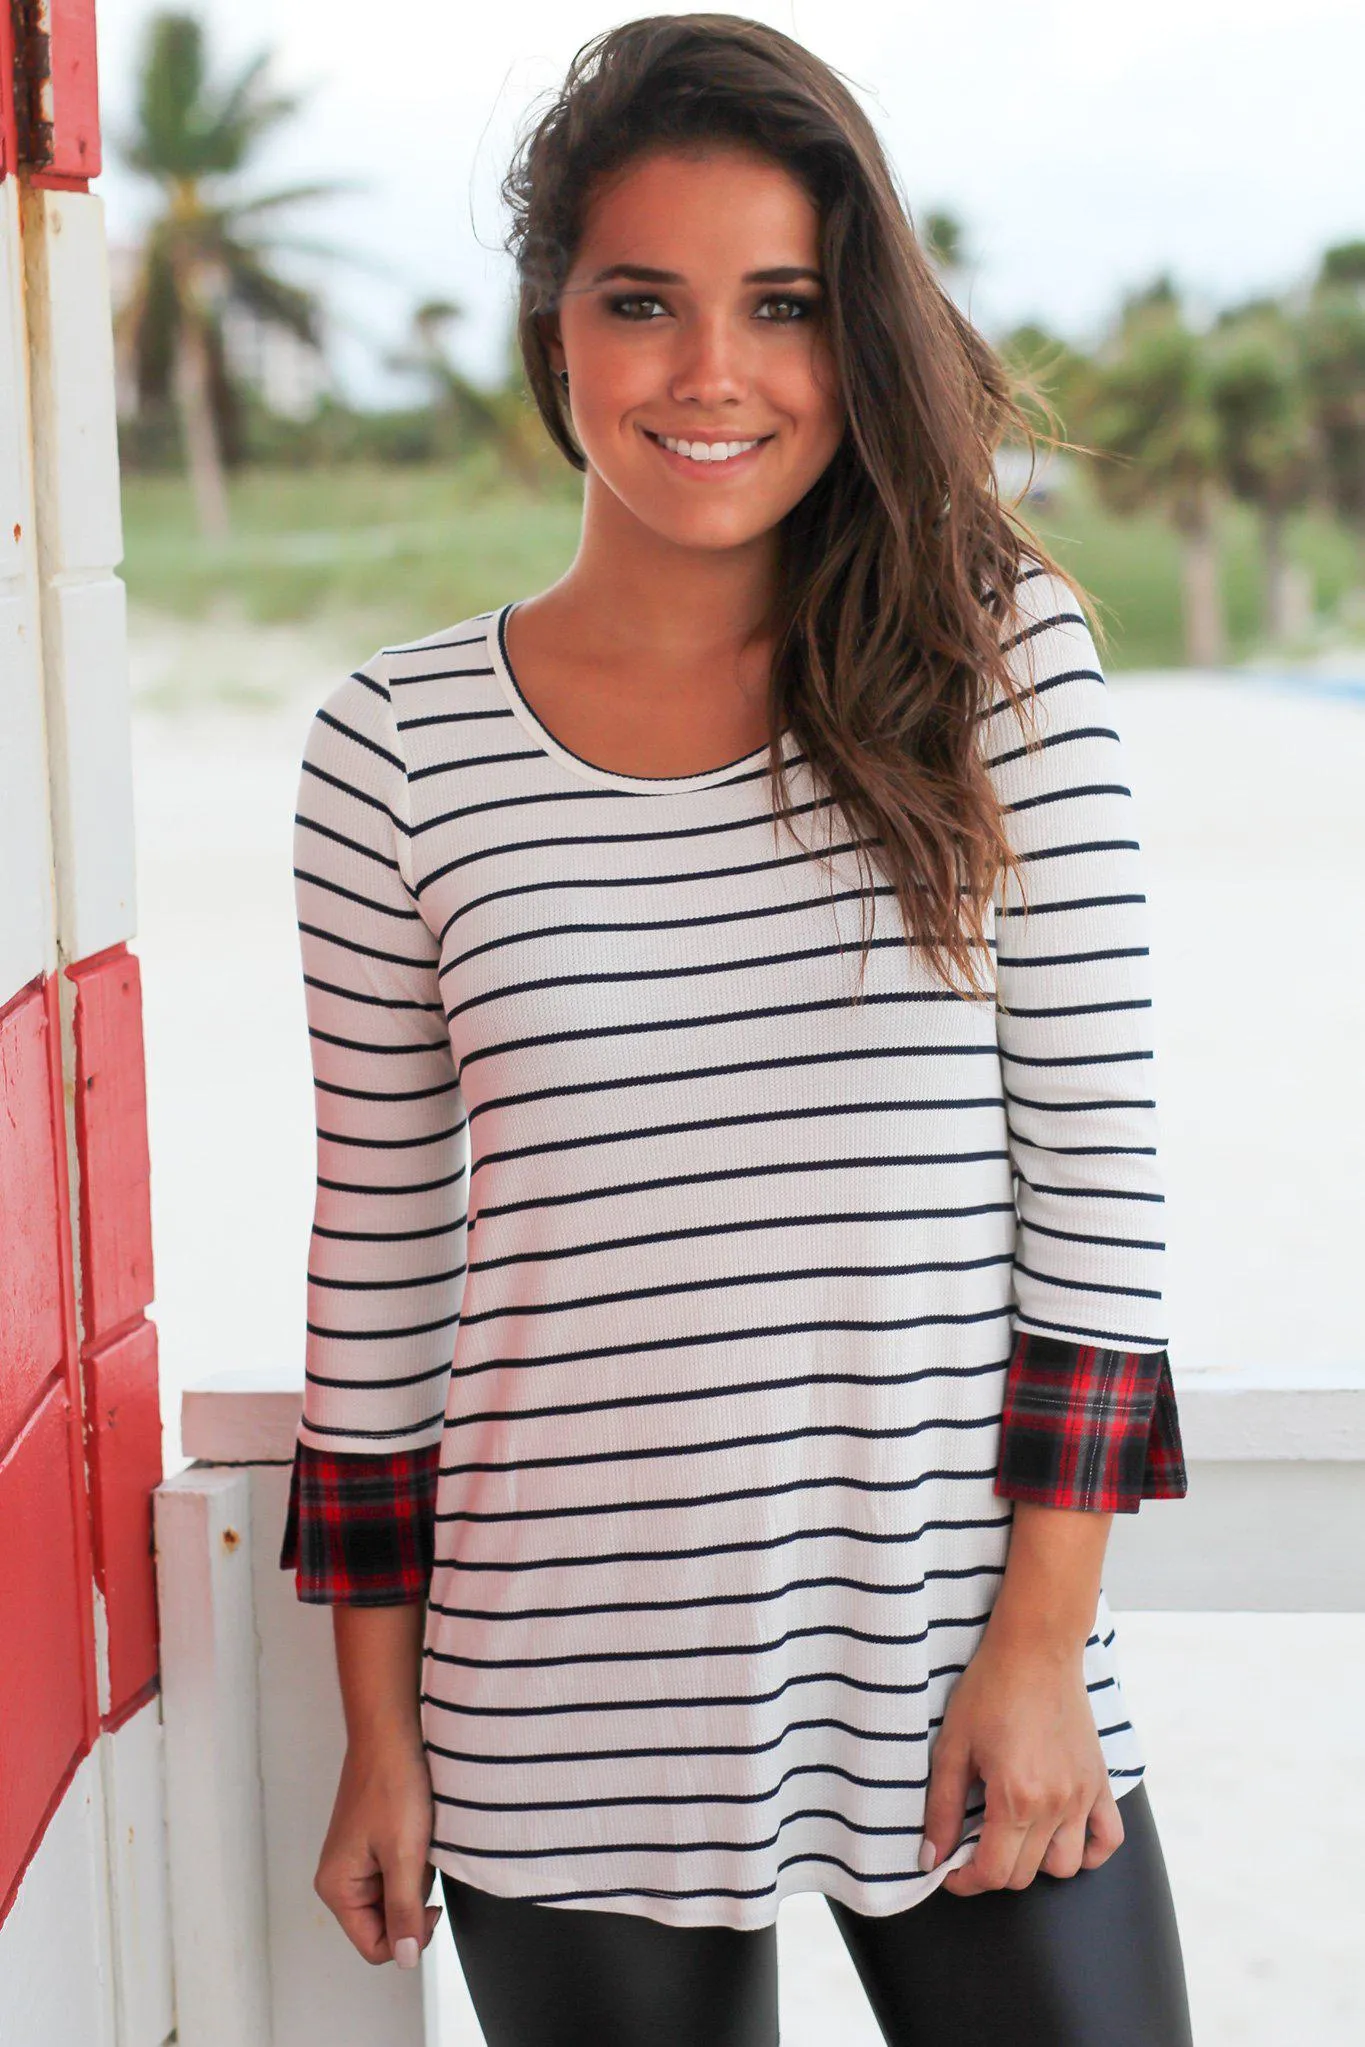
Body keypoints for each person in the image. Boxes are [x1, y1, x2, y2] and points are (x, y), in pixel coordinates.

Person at [278, 15, 1193, 2044]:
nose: (712, 373)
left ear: (853, 338)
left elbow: (1102, 1197)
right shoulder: (394, 754)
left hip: (966, 1668)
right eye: (643, 303)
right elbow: (378, 1282)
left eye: (781, 305)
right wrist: (379, 1728)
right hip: (551, 1705)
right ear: (554, 334)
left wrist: (1044, 1643)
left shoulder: (996, 665)